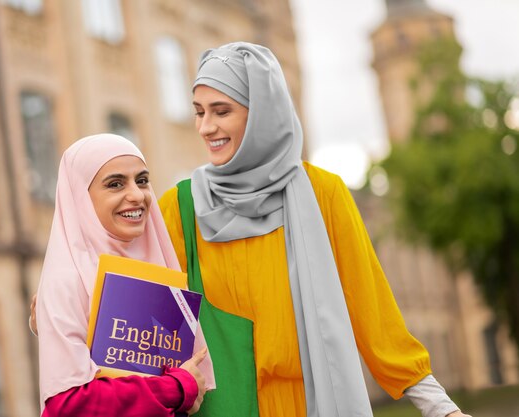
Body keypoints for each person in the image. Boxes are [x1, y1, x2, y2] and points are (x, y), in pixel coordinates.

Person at [157, 42, 472, 417]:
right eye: (199, 112)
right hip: (220, 409)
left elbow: (370, 305)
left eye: (221, 111)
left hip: (311, 406)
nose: (206, 127)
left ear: (260, 113)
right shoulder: (179, 207)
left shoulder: (322, 194)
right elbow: (153, 330)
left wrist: (441, 408)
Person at [34, 133, 214, 417]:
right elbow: (67, 405)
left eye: (142, 181)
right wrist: (175, 389)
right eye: (115, 184)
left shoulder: (159, 267)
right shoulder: (67, 280)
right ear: (80, 197)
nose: (137, 194)